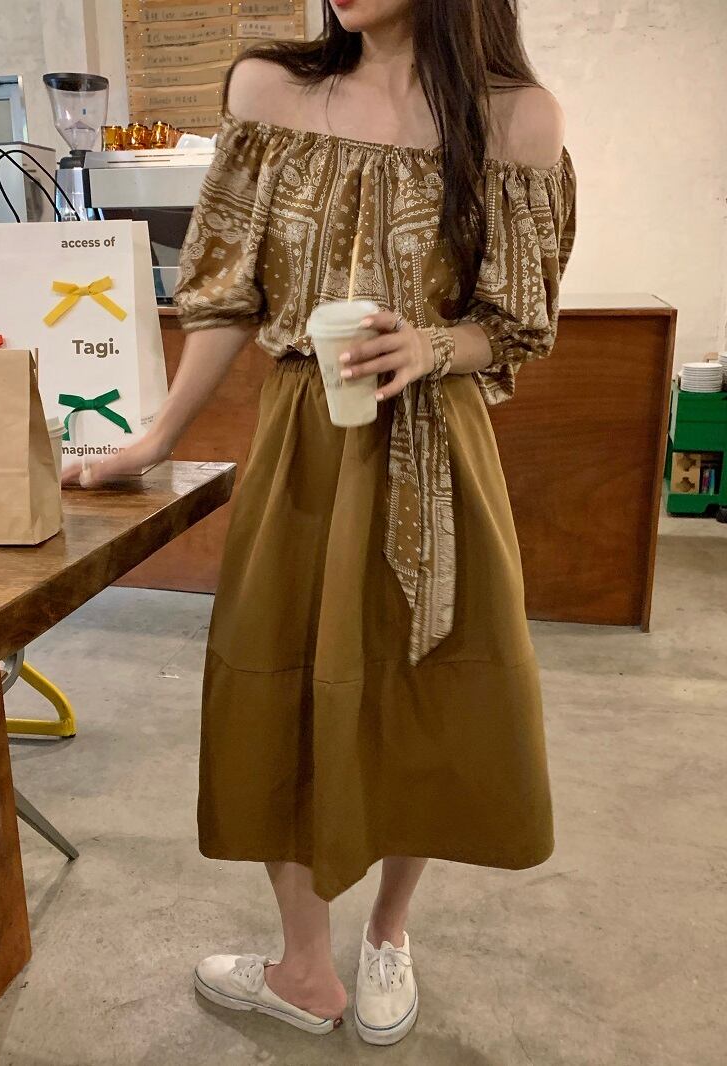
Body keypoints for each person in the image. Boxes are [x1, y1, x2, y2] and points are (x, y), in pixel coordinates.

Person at [65, 0, 576, 1046]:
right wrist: (156, 437)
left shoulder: (517, 118)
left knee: (424, 690)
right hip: (303, 438)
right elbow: (225, 295)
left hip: (436, 448)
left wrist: (432, 346)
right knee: (278, 684)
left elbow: (516, 322)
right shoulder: (269, 91)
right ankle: (303, 965)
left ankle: (387, 931)